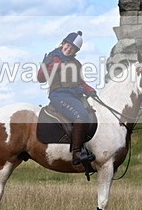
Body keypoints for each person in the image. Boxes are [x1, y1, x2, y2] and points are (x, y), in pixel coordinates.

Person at [37, 31, 97, 166]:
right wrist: (45, 66)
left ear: (75, 51)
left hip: (75, 95)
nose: (68, 49)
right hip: (59, 95)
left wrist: (90, 90)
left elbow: (81, 82)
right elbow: (40, 79)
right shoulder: (54, 58)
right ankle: (76, 154)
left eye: (72, 48)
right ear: (63, 43)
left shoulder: (76, 63)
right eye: (67, 46)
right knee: (80, 116)